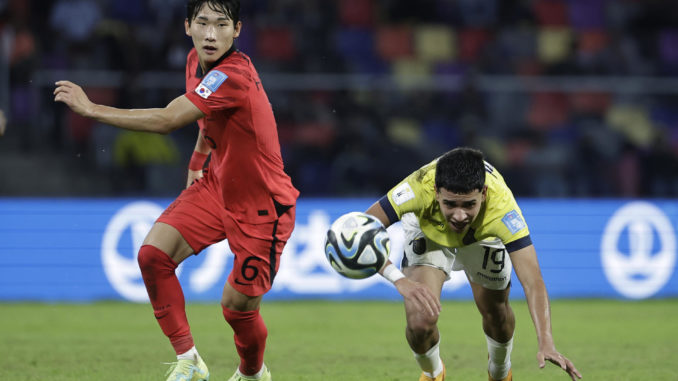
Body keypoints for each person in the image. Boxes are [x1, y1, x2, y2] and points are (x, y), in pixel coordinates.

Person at [54, 1, 298, 380]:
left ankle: (253, 374)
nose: (210, 34)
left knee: (236, 308)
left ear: (237, 30)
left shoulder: (232, 74)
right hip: (218, 185)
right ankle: (191, 361)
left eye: (221, 24)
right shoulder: (194, 63)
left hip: (263, 205)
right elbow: (208, 119)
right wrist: (197, 161)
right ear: (188, 26)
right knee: (152, 255)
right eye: (202, 23)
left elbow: (170, 119)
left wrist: (92, 109)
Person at [369, 147, 582, 381]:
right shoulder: (416, 187)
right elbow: (363, 232)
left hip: (484, 237)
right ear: (436, 192)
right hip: (429, 231)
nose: (459, 216)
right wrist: (398, 280)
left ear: (483, 193)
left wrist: (547, 342)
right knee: (420, 321)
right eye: (450, 204)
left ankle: (500, 373)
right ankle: (433, 374)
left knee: (496, 314)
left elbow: (533, 281)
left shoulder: (502, 209)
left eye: (469, 205)